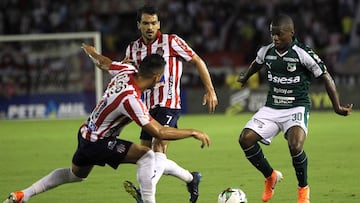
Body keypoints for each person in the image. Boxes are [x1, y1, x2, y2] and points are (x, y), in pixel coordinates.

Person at [3, 45, 211, 203]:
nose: (162, 80)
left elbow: (103, 62)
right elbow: (160, 132)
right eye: (162, 76)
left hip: (86, 133)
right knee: (148, 156)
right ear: (156, 76)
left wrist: (91, 52)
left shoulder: (125, 70)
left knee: (75, 175)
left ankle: (24, 194)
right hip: (99, 142)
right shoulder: (131, 100)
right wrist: (192, 132)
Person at [237, 14, 353, 203]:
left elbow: (325, 76)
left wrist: (337, 106)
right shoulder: (266, 51)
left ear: (291, 33)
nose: (275, 38)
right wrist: (245, 77)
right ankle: (270, 176)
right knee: (245, 139)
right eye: (272, 34)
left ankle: (303, 190)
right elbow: (256, 64)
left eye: (279, 34)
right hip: (272, 107)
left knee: (295, 145)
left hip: (296, 107)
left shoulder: (302, 53)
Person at [122, 5, 218, 203]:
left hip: (169, 104)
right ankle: (191, 178)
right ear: (138, 24)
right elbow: (130, 75)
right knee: (147, 156)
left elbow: (197, 60)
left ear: (159, 24)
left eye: (154, 23)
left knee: (158, 148)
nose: (150, 27)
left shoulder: (171, 42)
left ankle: (145, 194)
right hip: (146, 108)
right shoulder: (133, 48)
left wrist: (209, 89)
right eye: (146, 23)